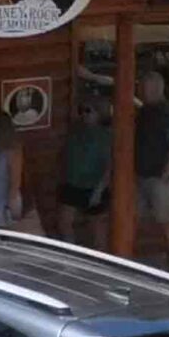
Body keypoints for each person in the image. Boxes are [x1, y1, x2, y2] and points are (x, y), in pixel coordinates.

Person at [136, 70, 169, 268]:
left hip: (163, 179)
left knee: (167, 224)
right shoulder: (145, 110)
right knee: (132, 218)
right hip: (142, 176)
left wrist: (165, 174)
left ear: (156, 88)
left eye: (144, 88)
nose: (140, 91)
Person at [60, 97, 111, 245]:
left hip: (94, 185)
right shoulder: (75, 130)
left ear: (99, 113)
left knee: (96, 228)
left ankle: (99, 260)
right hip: (72, 183)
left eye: (88, 111)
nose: (84, 114)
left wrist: (99, 190)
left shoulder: (105, 136)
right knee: (64, 222)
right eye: (81, 111)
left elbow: (109, 166)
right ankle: (70, 255)